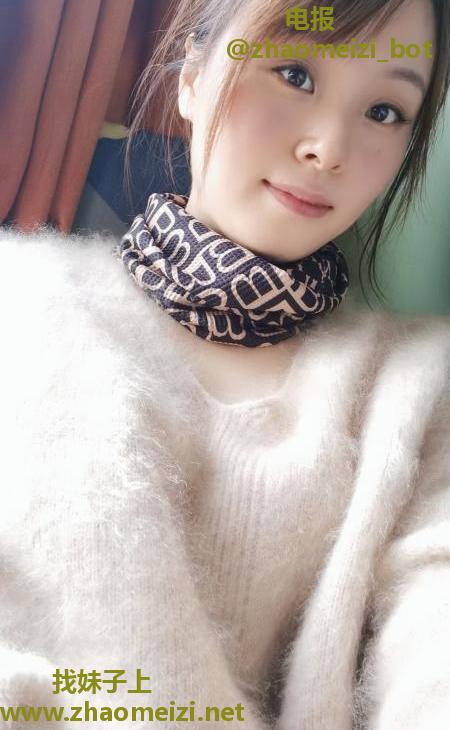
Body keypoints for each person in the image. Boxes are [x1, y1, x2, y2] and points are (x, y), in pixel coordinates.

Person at [0, 0, 449, 728]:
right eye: (295, 73)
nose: (329, 148)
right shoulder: (20, 304)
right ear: (192, 76)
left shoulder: (419, 389)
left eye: (384, 111)